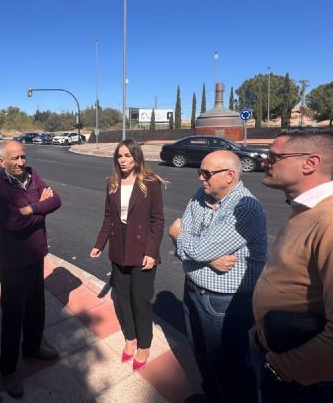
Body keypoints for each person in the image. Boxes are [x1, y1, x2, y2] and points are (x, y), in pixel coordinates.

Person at [253, 129, 333, 403]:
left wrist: (281, 368)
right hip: (283, 358)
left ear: (310, 163)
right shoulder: (306, 211)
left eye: (274, 156)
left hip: (304, 384)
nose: (264, 162)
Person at [168, 150, 266, 403]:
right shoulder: (202, 195)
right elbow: (194, 243)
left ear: (230, 176)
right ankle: (212, 395)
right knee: (201, 353)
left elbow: (184, 237)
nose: (200, 178)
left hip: (223, 302)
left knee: (230, 365)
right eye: (199, 172)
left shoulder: (246, 208)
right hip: (192, 289)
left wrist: (181, 238)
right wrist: (208, 256)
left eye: (206, 174)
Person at [0, 140, 61, 398]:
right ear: (2, 162)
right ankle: (8, 369)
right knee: (13, 315)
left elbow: (56, 200)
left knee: (36, 307)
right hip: (13, 261)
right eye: (14, 158)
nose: (20, 163)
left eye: (22, 157)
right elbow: (13, 223)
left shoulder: (33, 175)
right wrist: (40, 208)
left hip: (35, 254)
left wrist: (31, 208)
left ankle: (33, 348)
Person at [91, 139, 165, 371]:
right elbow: (108, 218)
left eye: (127, 156)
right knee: (122, 298)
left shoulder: (150, 182)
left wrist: (152, 252)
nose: (122, 160)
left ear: (136, 157)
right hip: (118, 248)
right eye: (119, 156)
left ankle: (144, 345)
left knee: (140, 300)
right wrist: (99, 244)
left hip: (143, 250)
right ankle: (130, 339)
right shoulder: (112, 182)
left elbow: (157, 219)